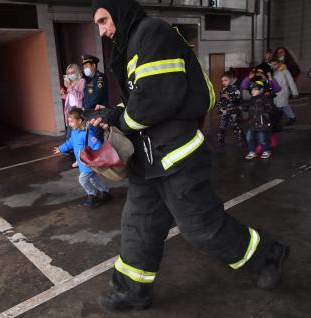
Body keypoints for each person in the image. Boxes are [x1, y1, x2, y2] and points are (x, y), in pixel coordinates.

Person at [90, 0, 289, 312]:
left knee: (202, 228)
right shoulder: (133, 44)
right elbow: (140, 98)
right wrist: (114, 113)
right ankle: (132, 290)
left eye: (103, 20)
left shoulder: (151, 33)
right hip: (149, 162)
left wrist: (122, 121)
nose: (102, 31)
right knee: (138, 225)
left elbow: (156, 99)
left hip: (177, 159)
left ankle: (269, 255)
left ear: (119, 10)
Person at [53, 108, 112, 207]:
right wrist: (61, 148)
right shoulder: (75, 132)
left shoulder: (87, 134)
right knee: (93, 179)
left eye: (71, 122)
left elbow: (96, 145)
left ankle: (92, 195)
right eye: (69, 121)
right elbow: (71, 142)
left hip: (88, 163)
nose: (70, 124)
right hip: (82, 162)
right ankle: (106, 192)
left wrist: (96, 158)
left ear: (80, 121)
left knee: (83, 179)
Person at [240, 68, 282, 151]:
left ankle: (270, 139)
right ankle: (260, 144)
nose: (259, 75)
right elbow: (243, 86)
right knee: (258, 127)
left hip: (267, 106)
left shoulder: (267, 82)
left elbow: (277, 89)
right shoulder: (253, 83)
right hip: (256, 107)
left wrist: (270, 79)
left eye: (261, 73)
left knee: (269, 125)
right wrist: (248, 77)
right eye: (257, 73)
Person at [60, 64, 86, 168]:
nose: (70, 75)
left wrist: (69, 87)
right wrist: (64, 95)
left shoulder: (82, 81)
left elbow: (80, 96)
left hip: (77, 110)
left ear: (77, 72)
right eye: (69, 73)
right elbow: (71, 97)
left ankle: (80, 159)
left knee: (76, 136)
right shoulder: (71, 83)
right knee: (72, 135)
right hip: (71, 110)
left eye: (72, 72)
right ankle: (78, 159)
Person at [244, 81, 275, 160]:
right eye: (252, 90)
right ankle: (252, 151)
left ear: (261, 89)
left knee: (262, 138)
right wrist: (242, 108)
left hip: (262, 123)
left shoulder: (265, 98)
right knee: (249, 138)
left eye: (255, 89)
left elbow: (271, 108)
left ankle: (266, 150)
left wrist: (266, 113)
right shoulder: (252, 99)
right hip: (252, 122)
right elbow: (249, 108)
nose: (253, 91)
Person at [216, 71, 244, 148]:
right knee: (221, 127)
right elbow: (221, 100)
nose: (223, 82)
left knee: (236, 126)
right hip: (224, 111)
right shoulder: (223, 90)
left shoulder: (235, 89)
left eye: (225, 80)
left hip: (233, 111)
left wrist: (230, 98)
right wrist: (220, 107)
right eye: (222, 81)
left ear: (231, 79)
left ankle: (240, 140)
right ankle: (220, 141)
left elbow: (238, 100)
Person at [270, 57, 299, 126]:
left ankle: (277, 123)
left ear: (279, 64)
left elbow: (291, 82)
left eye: (275, 64)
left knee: (279, 107)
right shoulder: (273, 72)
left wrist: (294, 92)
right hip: (276, 93)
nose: (273, 66)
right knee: (284, 106)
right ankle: (292, 118)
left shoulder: (285, 71)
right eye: (272, 65)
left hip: (282, 93)